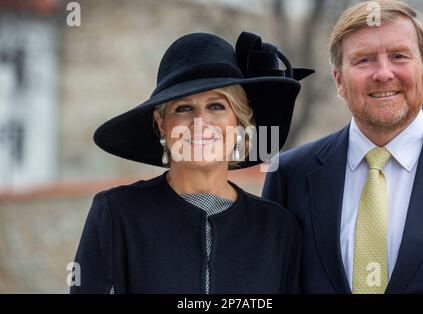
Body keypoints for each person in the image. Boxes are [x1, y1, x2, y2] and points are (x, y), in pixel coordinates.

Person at [70, 31, 313, 293]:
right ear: (161, 123)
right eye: (183, 108)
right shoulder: (117, 214)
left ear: (239, 122)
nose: (199, 123)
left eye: (217, 106)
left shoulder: (278, 230)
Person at [263, 0, 423, 294]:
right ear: (339, 80)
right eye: (364, 60)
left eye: (399, 56)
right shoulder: (290, 174)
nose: (383, 73)